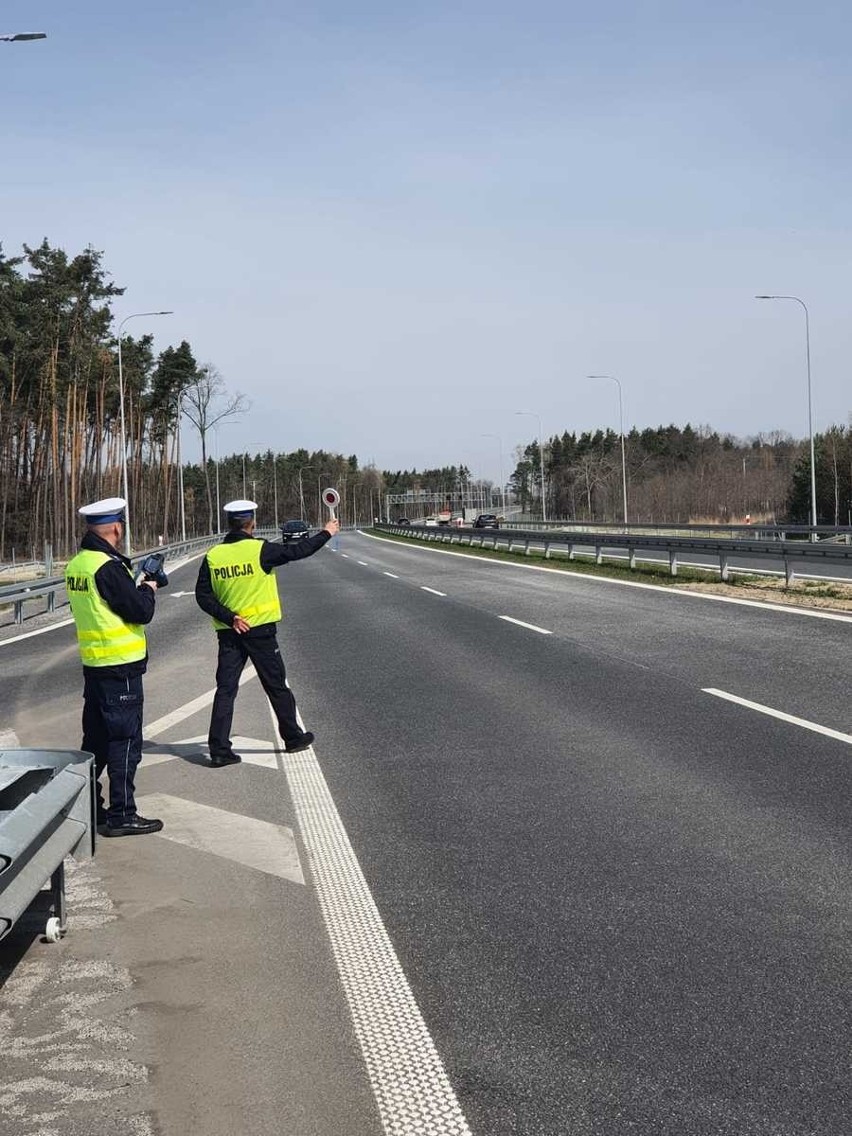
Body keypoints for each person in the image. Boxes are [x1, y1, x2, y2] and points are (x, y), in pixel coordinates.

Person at [195, 500, 340, 767]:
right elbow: (298, 551)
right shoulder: (260, 550)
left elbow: (202, 596)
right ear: (251, 523)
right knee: (276, 685)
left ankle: (218, 749)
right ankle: (293, 738)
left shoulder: (214, 556)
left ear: (230, 523)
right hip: (260, 632)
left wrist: (230, 617)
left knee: (226, 690)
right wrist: (326, 533)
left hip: (230, 633)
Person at [65, 497, 165, 837]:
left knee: (95, 742)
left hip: (94, 665)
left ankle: (92, 808)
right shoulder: (107, 566)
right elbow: (140, 611)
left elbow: (105, 605)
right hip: (120, 669)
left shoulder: (79, 564)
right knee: (124, 743)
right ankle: (123, 813)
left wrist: (133, 588)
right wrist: (148, 588)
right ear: (116, 527)